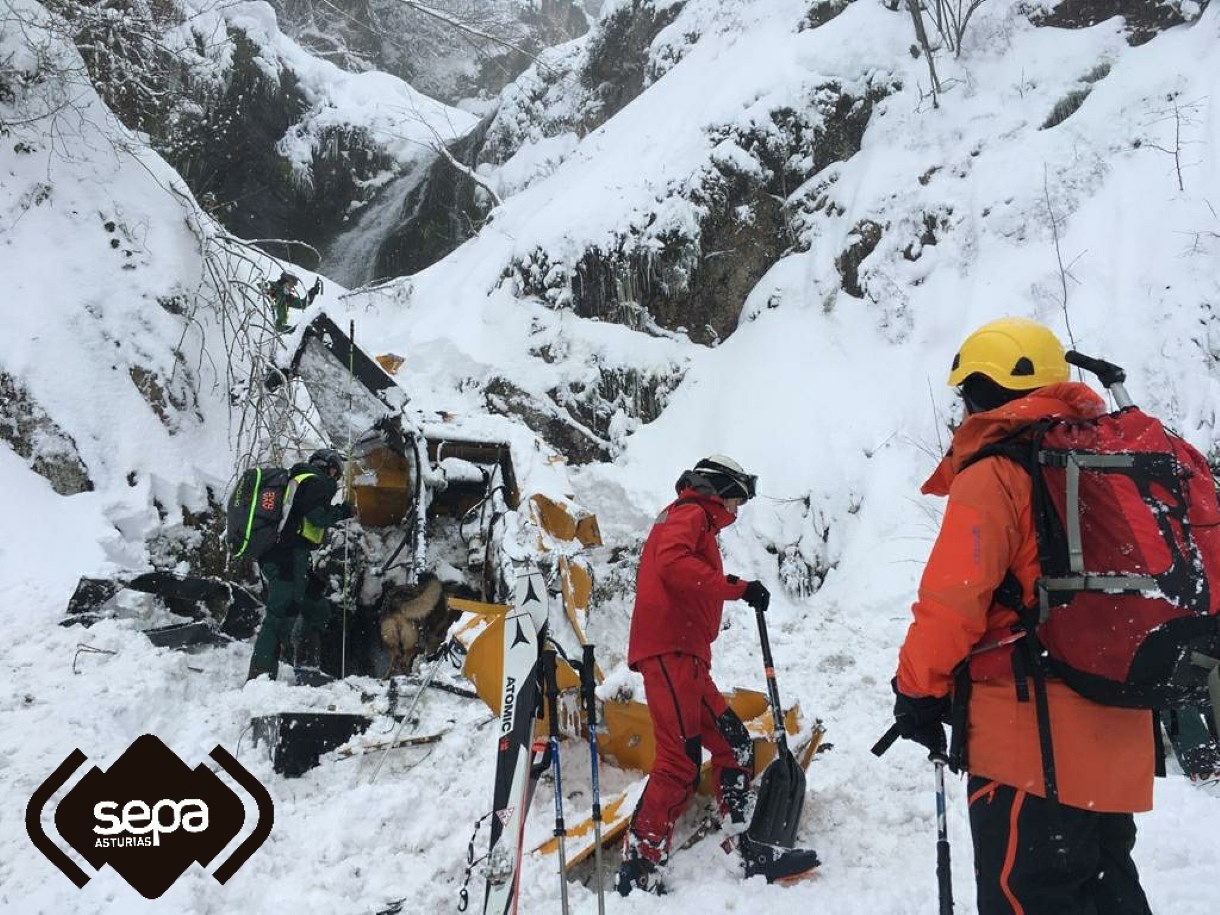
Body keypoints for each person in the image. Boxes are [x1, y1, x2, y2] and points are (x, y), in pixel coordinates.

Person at [891, 317, 1154, 914]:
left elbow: (953, 601)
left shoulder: (997, 471)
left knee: (1027, 897)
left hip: (1031, 746)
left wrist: (916, 692)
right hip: (1117, 729)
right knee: (1109, 894)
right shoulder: (1107, 464)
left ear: (982, 391)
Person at [616, 455, 817, 895]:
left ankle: (743, 842)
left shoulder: (694, 521)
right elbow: (674, 565)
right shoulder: (689, 515)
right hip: (668, 652)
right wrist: (736, 589)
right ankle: (639, 865)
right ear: (716, 488)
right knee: (678, 763)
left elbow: (686, 568)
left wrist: (736, 586)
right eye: (736, 498)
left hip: (686, 657)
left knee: (735, 745)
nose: (737, 509)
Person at [246, 448, 355, 681]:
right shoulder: (317, 481)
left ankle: (307, 667)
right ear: (329, 467)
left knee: (316, 606)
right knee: (281, 615)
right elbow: (317, 516)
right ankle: (260, 677)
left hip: (287, 556)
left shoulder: (297, 479)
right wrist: (344, 511)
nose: (337, 477)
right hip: (286, 557)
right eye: (337, 471)